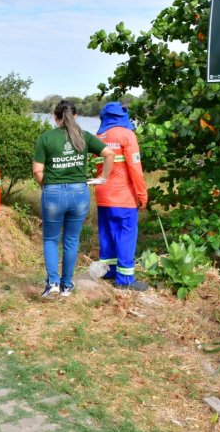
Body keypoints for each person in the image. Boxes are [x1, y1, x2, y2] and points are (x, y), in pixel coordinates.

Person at [32, 100, 115, 299]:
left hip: (53, 193)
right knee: (71, 240)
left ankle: (52, 283)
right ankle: (67, 286)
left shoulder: (46, 137)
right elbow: (109, 153)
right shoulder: (84, 136)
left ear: (55, 117)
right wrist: (102, 178)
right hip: (80, 193)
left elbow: (37, 170)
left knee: (51, 239)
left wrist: (48, 187)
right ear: (75, 116)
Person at [94, 102, 149, 291]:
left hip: (102, 195)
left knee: (107, 233)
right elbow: (135, 168)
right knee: (126, 234)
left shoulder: (99, 135)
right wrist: (142, 194)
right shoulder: (127, 135)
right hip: (123, 196)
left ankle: (109, 271)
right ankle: (125, 280)